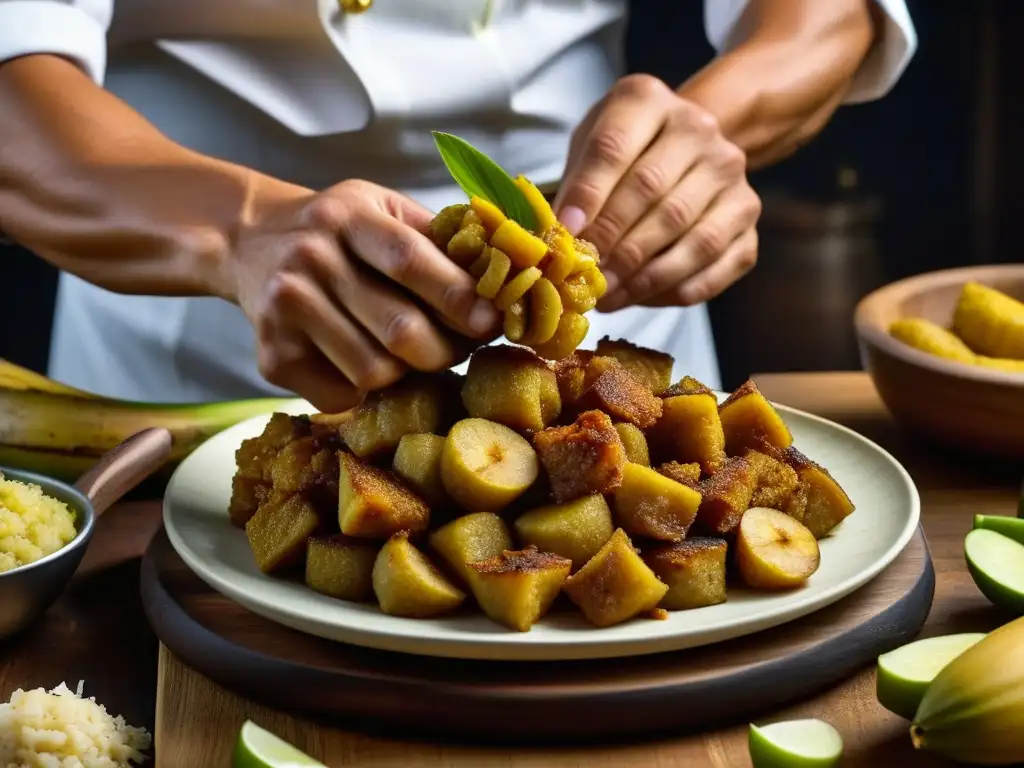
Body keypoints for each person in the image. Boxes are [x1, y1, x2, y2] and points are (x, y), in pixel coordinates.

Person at [0, 0, 916, 413]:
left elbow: (829, 12)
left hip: (601, 310)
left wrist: (695, 139)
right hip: (188, 316)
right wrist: (236, 229)